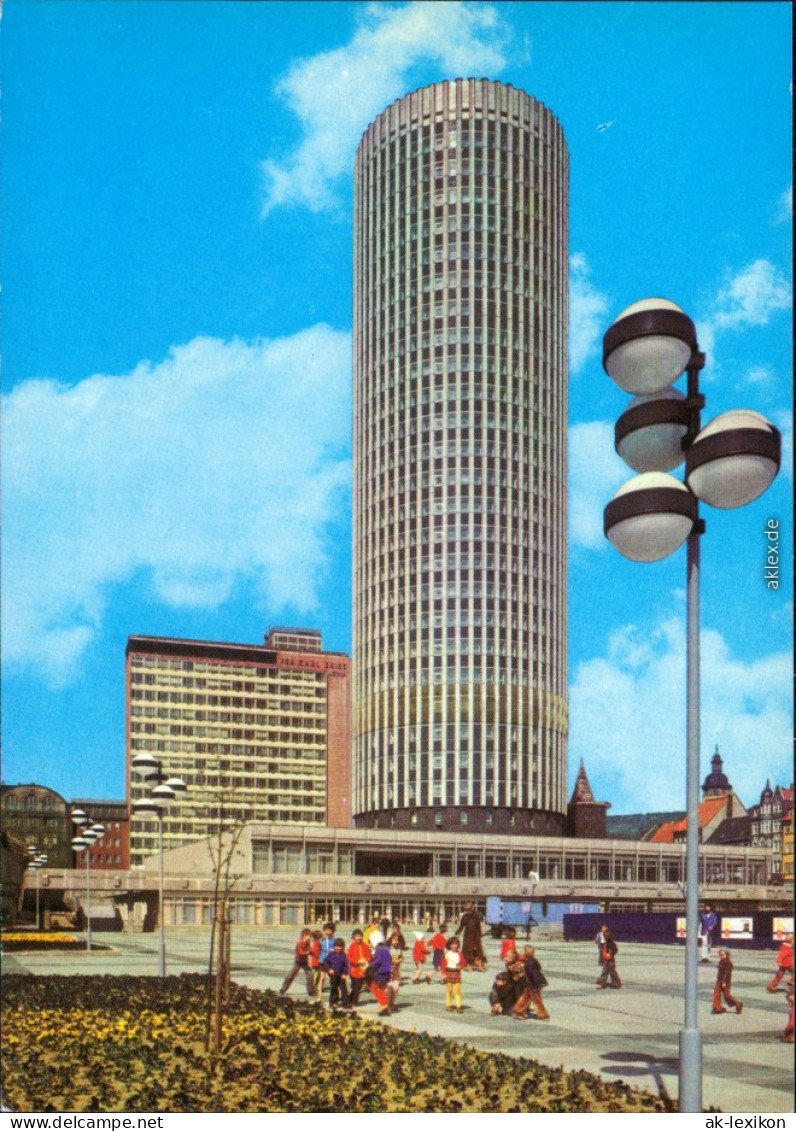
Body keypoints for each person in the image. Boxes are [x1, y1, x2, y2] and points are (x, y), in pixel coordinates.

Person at [279, 927, 315, 998]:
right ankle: (283, 990)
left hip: (305, 962)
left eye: (310, 937)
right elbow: (301, 952)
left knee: (310, 976)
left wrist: (313, 952)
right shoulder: (299, 943)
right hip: (298, 962)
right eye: (309, 937)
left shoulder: (308, 943)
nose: (309, 938)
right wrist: (308, 952)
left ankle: (311, 991)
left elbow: (311, 951)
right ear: (304, 936)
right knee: (290, 976)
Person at [521, 946, 550, 1020]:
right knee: (527, 998)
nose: (521, 952)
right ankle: (519, 1012)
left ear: (526, 953)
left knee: (535, 999)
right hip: (535, 983)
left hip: (533, 984)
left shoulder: (528, 963)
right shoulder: (533, 960)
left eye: (523, 951)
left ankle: (543, 1015)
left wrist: (534, 985)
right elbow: (539, 968)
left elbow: (532, 975)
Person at [456, 902, 486, 971]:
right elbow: (461, 926)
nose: (468, 911)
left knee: (478, 950)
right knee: (468, 951)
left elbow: (478, 926)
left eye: (470, 909)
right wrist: (458, 932)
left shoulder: (476, 916)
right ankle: (468, 965)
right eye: (467, 910)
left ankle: (480, 965)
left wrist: (480, 935)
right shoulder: (464, 916)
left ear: (472, 909)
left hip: (476, 935)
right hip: (468, 936)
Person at [368, 931, 393, 1015]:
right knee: (382, 988)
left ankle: (384, 1004)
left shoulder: (378, 949)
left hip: (381, 971)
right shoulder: (385, 948)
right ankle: (384, 1005)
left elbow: (378, 961)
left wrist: (370, 965)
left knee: (375, 987)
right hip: (387, 971)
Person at [346, 928, 372, 1007]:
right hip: (355, 970)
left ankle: (350, 1000)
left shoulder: (365, 945)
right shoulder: (352, 946)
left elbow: (369, 955)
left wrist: (366, 960)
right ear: (353, 937)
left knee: (357, 987)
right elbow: (349, 957)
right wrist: (357, 962)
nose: (358, 938)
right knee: (356, 987)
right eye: (356, 936)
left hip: (363, 969)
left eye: (360, 936)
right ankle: (354, 1002)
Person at [712, 948, 742, 1014]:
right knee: (716, 994)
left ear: (727, 954)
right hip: (719, 980)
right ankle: (717, 1007)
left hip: (725, 981)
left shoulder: (728, 963)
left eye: (722, 955)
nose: (721, 956)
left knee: (726, 995)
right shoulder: (721, 961)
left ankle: (738, 1004)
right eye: (720, 955)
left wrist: (724, 982)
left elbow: (727, 973)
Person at [325, 938, 352, 1011]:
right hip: (333, 975)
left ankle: (345, 1002)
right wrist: (329, 969)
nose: (338, 949)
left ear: (343, 947)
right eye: (337, 947)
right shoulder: (331, 954)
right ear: (334, 947)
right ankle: (333, 1002)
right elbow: (326, 962)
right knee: (334, 988)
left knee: (344, 989)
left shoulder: (344, 955)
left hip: (341, 975)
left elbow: (346, 966)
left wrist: (345, 974)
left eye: (340, 947)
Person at [443, 936, 464, 1013]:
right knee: (449, 990)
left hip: (457, 973)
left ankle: (459, 1006)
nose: (455, 946)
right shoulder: (447, 953)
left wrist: (460, 966)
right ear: (449, 945)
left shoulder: (460, 953)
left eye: (456, 944)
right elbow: (443, 964)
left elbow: (463, 962)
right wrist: (443, 974)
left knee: (457, 990)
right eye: (452, 944)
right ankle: (449, 1005)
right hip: (448, 972)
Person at [386, 929, 405, 1012]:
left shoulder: (399, 949)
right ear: (390, 940)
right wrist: (394, 961)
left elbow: (401, 957)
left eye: (397, 940)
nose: (396, 941)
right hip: (388, 971)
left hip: (396, 971)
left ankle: (392, 1003)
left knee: (396, 988)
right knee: (389, 988)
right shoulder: (387, 949)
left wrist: (400, 960)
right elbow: (386, 960)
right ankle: (388, 1004)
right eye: (394, 940)